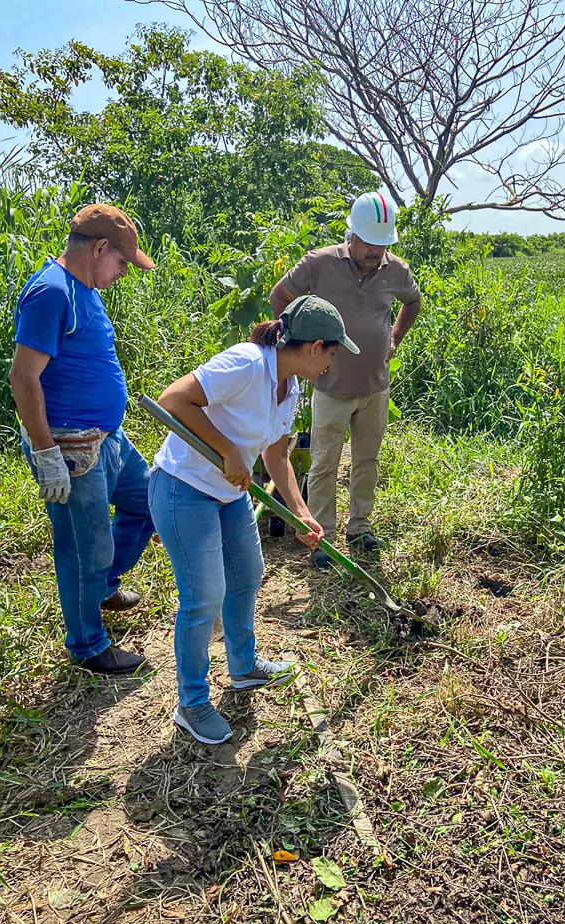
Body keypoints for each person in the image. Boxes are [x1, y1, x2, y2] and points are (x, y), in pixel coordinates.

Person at [149, 296, 359, 745]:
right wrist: (226, 449)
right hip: (184, 488)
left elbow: (276, 453)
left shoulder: (291, 384)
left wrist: (301, 514)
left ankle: (243, 667)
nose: (331, 363)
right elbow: (172, 400)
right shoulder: (245, 364)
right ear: (313, 346)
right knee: (204, 595)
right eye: (332, 353)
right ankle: (191, 701)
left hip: (229, 494)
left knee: (248, 574)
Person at [9, 204, 156, 674]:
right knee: (81, 546)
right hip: (72, 447)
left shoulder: (84, 289)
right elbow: (23, 377)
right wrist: (46, 453)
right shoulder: (51, 293)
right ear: (98, 249)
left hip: (108, 440)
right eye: (120, 263)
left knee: (148, 501)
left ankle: (104, 586)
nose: (121, 273)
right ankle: (87, 644)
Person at [269, 192, 421, 568]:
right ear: (351, 234)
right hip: (331, 387)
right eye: (369, 242)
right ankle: (324, 538)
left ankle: (360, 528)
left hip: (375, 387)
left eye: (383, 244)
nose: (375, 251)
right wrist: (298, 345)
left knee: (367, 460)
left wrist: (394, 337)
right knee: (324, 463)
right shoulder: (320, 263)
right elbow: (281, 294)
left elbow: (412, 301)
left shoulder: (395, 270)